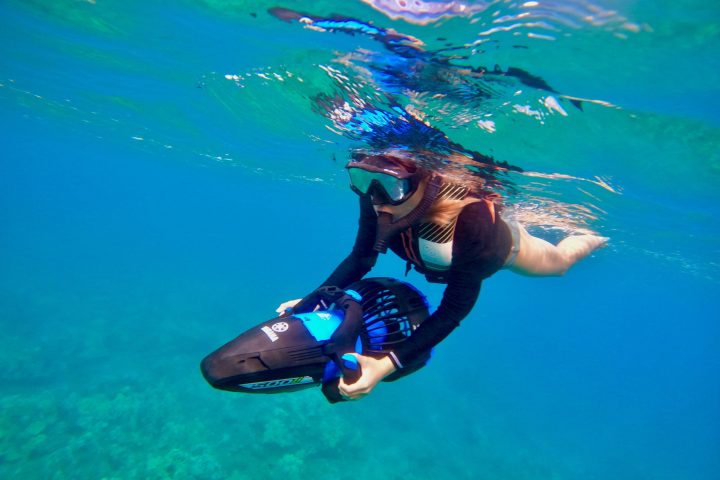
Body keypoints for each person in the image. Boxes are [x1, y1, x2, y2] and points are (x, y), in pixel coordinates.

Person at [277, 150, 607, 401]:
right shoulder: (377, 196)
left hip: (507, 250)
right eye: (363, 182)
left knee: (560, 264)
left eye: (390, 186)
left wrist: (385, 365)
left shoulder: (471, 218)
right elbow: (361, 258)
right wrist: (311, 302)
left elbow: (452, 310)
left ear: (424, 181)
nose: (377, 199)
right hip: (441, 255)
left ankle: (591, 237)